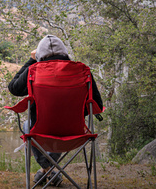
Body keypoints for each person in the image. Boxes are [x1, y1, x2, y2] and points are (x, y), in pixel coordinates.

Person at [8, 35, 103, 186]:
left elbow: (13, 88)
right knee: (60, 122)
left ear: (39, 55)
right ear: (65, 53)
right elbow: (97, 104)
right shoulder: (82, 70)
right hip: (75, 133)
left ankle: (46, 169)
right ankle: (51, 171)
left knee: (29, 126)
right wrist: (75, 114)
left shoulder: (34, 70)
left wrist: (32, 60)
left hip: (40, 134)